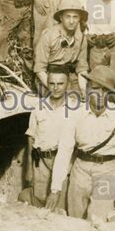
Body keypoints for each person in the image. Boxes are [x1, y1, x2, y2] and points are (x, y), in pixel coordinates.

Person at [46, 66, 115, 222]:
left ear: (110, 93)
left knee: (98, 220)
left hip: (107, 171)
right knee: (74, 220)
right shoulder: (75, 114)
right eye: (96, 89)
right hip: (80, 170)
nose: (100, 94)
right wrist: (55, 190)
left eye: (105, 90)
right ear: (88, 89)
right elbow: (64, 152)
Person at [19, 70, 73, 209]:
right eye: (52, 83)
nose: (56, 87)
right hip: (41, 161)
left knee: (59, 204)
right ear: (47, 84)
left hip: (63, 162)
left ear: (68, 85)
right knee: (39, 201)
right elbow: (31, 137)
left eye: (60, 84)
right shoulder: (39, 107)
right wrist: (29, 169)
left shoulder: (75, 108)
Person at [33, 0, 88, 95]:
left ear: (79, 18)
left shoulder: (81, 38)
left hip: (70, 77)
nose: (71, 21)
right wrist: (55, 89)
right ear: (61, 18)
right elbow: (40, 70)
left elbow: (82, 68)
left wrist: (84, 90)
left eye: (75, 17)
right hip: (49, 78)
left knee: (79, 102)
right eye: (68, 16)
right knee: (56, 103)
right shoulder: (48, 36)